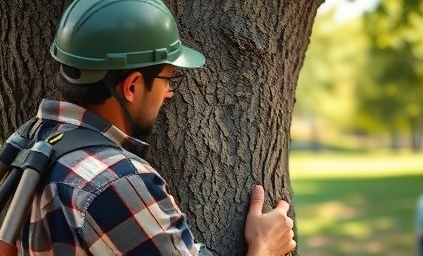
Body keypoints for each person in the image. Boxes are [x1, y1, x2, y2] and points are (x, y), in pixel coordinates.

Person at [18, 0, 295, 255]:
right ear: (131, 86)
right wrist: (266, 247)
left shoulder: (33, 138)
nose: (167, 92)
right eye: (167, 79)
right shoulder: (114, 181)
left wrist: (149, 92)